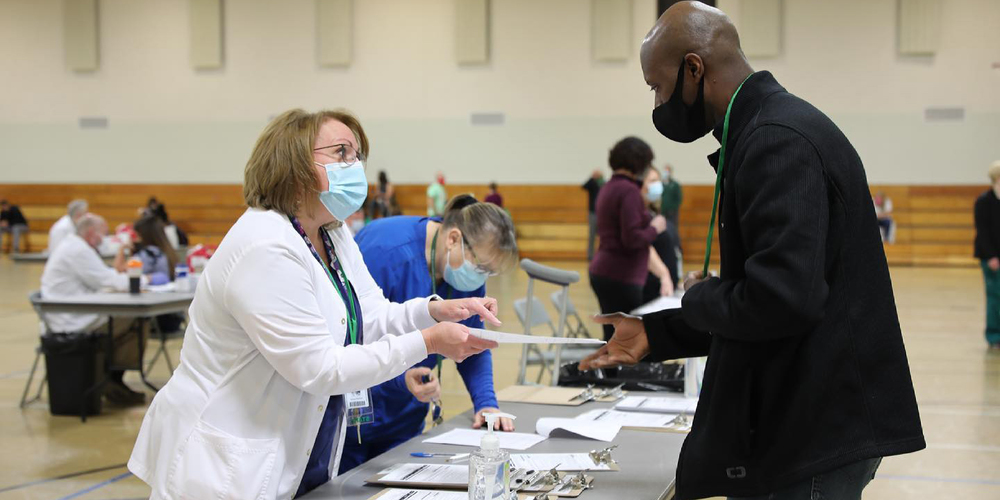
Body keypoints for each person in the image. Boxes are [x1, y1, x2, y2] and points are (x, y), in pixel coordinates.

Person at [580, 3, 924, 500]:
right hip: (809, 412)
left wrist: (699, 298)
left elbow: (781, 298)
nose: (657, 102)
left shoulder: (775, 140)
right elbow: (763, 294)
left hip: (817, 424)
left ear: (694, 68)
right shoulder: (766, 129)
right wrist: (656, 333)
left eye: (657, 86)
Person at [127, 109, 501, 499]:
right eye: (341, 152)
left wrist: (433, 310)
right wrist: (428, 342)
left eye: (357, 156)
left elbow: (369, 314)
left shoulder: (331, 234)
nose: (354, 166)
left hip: (289, 447)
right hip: (224, 461)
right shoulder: (265, 245)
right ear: (294, 164)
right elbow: (320, 368)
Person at [342, 194, 518, 473]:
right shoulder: (385, 251)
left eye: (489, 273)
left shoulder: (463, 272)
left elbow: (473, 342)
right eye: (481, 267)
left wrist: (485, 403)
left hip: (406, 417)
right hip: (352, 417)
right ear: (453, 239)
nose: (480, 278)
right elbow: (352, 340)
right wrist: (400, 380)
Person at [41, 214, 165, 405]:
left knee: (131, 318)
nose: (105, 240)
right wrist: (146, 279)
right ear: (91, 233)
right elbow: (107, 279)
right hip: (70, 319)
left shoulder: (75, 246)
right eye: (104, 234)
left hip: (75, 311)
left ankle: (110, 377)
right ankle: (112, 379)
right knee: (137, 318)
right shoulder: (77, 250)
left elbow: (104, 276)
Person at [589, 137, 667, 341]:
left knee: (613, 336)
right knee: (626, 341)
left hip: (604, 270)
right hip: (621, 275)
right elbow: (632, 239)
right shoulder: (629, 191)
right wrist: (654, 228)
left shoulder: (608, 186)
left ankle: (612, 373)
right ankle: (618, 374)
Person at [116, 214, 185, 332]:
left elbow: (120, 269)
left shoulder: (148, 253)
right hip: (173, 316)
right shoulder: (165, 252)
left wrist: (122, 249)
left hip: (157, 319)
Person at [640, 168, 678, 303]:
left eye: (658, 180)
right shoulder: (638, 215)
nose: (658, 185)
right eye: (652, 181)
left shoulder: (653, 212)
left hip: (663, 290)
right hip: (649, 290)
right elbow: (643, 247)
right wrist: (664, 275)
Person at [974, 161, 1000, 350]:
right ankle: (993, 335)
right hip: (990, 258)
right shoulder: (983, 202)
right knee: (994, 297)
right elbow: (982, 232)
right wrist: (991, 256)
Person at [582, 169, 605, 261]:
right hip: (592, 213)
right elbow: (583, 186)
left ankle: (601, 255)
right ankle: (590, 255)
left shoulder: (602, 183)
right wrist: (591, 178)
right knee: (592, 235)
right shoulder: (592, 184)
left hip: (602, 213)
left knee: (602, 236)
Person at [659, 163, 683, 228]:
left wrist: (673, 208)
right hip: (662, 211)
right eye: (665, 171)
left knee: (672, 227)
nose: (666, 173)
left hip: (672, 212)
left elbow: (679, 198)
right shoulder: (660, 184)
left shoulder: (675, 185)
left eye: (667, 171)